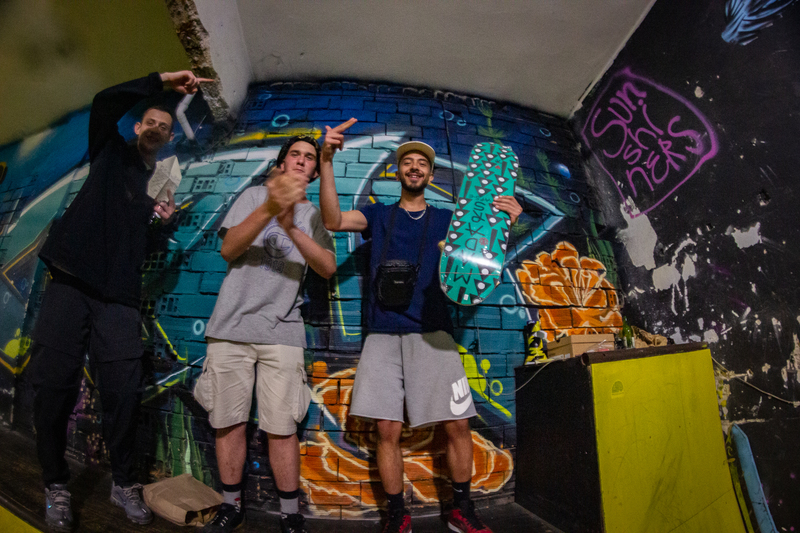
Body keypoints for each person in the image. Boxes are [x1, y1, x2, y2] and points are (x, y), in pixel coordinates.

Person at [27, 70, 211, 531]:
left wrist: (162, 225)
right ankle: (56, 484)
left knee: (125, 393)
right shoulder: (110, 154)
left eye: (164, 126)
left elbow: (139, 248)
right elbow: (104, 101)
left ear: (169, 138)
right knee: (53, 389)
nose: (156, 129)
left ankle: (124, 482)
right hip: (70, 283)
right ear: (137, 127)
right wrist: (162, 80)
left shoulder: (158, 185)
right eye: (150, 122)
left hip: (120, 299)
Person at [318, 120, 522, 533]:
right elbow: (334, 219)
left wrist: (507, 223)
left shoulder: (451, 219)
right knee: (387, 430)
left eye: (422, 163)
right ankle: (397, 515)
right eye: (408, 161)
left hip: (434, 332)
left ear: (430, 175)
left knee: (458, 424)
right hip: (383, 334)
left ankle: (461, 510)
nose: (414, 167)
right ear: (398, 171)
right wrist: (325, 160)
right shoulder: (378, 214)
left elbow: (483, 258)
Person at [194, 135, 336, 533]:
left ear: (314, 171)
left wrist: (291, 227)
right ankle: (231, 506)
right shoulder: (253, 196)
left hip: (284, 331)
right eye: (295, 154)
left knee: (282, 427)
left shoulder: (315, 215)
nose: (302, 160)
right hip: (231, 327)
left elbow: (327, 267)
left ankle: (290, 514)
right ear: (282, 163)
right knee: (228, 421)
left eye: (309, 157)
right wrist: (272, 207)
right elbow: (229, 249)